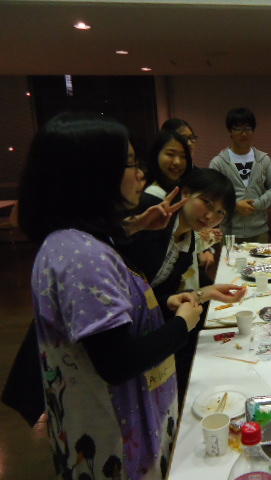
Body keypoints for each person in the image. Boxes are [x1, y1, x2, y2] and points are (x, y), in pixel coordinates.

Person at [18, 112, 206, 479]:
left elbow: (114, 315)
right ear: (92, 174)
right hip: (115, 440)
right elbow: (117, 361)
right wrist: (182, 324)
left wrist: (161, 304)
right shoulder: (83, 257)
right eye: (130, 163)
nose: (140, 174)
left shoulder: (74, 239)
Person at [120, 168, 245, 405]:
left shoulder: (188, 243)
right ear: (185, 193)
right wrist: (135, 225)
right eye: (206, 203)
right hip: (116, 328)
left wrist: (204, 293)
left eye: (220, 212)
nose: (210, 216)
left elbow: (156, 294)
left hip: (139, 322)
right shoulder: (153, 216)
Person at [145, 130, 218, 288]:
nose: (177, 162)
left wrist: (205, 238)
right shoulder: (152, 198)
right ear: (156, 154)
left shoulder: (179, 191)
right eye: (170, 154)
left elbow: (183, 240)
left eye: (184, 156)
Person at [209, 107, 271, 243]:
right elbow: (213, 195)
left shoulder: (263, 159)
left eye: (248, 129)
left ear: (253, 131)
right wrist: (235, 205)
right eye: (238, 129)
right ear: (230, 131)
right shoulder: (218, 162)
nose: (243, 134)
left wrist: (257, 204)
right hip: (230, 233)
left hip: (260, 231)